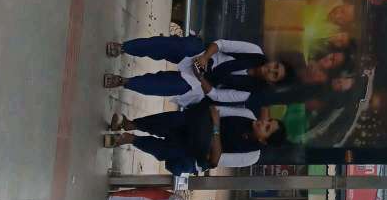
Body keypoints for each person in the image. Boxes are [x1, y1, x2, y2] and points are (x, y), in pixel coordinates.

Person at [102, 38, 295, 107]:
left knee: (171, 86)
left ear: (272, 82)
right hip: (206, 54)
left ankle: (124, 81)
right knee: (179, 47)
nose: (271, 69)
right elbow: (222, 44)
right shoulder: (255, 52)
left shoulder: (249, 92)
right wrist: (203, 58)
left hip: (202, 83)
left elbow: (217, 95)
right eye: (275, 66)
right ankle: (125, 48)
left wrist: (200, 76)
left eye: (274, 74)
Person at [103, 104, 285, 175]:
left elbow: (215, 159)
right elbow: (214, 110)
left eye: (267, 128)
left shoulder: (251, 156)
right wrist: (212, 126)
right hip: (200, 127)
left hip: (199, 154)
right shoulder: (247, 114)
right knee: (177, 119)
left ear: (264, 141)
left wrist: (215, 129)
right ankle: (132, 124)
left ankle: (130, 139)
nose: (263, 122)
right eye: (268, 121)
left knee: (175, 149)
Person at [104, 34, 203, 62]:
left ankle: (126, 82)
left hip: (203, 79)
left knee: (177, 86)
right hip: (205, 51)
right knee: (170, 46)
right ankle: (125, 47)